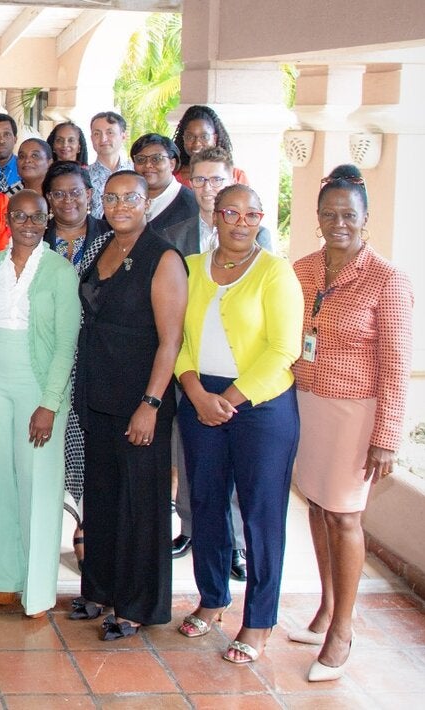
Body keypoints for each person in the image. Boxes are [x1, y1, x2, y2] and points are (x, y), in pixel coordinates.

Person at [291, 165, 413, 682]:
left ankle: (343, 629)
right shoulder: (302, 269)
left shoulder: (388, 279)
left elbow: (397, 366)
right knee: (318, 508)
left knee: (344, 516)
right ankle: (326, 608)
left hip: (354, 413)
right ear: (318, 218)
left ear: (365, 218)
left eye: (348, 215)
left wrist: (386, 438)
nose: (338, 223)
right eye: (329, 214)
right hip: (306, 404)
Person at [174, 184, 303, 664]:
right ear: (215, 215)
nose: (241, 222)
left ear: (260, 220)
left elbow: (283, 349)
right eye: (231, 212)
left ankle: (260, 620)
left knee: (260, 514)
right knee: (206, 503)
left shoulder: (275, 272)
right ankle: (212, 598)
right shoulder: (190, 269)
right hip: (199, 397)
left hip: (261, 406)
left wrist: (227, 400)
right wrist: (195, 392)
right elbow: (175, 338)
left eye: (252, 214)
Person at [71, 171, 187, 641]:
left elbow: (171, 340)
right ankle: (100, 589)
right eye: (112, 198)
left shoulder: (163, 257)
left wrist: (151, 404)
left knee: (140, 504)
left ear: (147, 203)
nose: (120, 206)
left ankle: (137, 605)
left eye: (130, 198)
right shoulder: (102, 246)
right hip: (98, 392)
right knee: (102, 498)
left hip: (140, 397)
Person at [163, 147, 273, 572]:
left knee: (240, 468)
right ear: (190, 183)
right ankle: (191, 528)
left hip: (243, 378)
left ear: (231, 180)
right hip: (190, 371)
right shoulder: (174, 236)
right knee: (192, 460)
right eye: (200, 180)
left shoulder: (260, 239)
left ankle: (236, 545)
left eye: (216, 180)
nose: (208, 188)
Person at [0, 190, 81, 618]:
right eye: (20, 216)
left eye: (37, 217)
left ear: (48, 219)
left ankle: (36, 589)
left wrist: (49, 403)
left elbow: (66, 344)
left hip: (39, 386)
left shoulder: (60, 271)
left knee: (38, 484)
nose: (29, 224)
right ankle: (3, 577)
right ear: (8, 219)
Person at [40, 160, 111, 569]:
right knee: (51, 447)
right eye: (58, 193)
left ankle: (87, 525)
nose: (68, 200)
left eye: (76, 192)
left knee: (89, 445)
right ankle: (45, 527)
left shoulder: (112, 239)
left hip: (96, 357)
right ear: (48, 199)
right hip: (45, 356)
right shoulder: (35, 237)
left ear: (90, 194)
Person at [132, 133, 198, 233]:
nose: (148, 164)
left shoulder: (191, 204)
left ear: (172, 164)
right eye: (141, 159)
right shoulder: (126, 199)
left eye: (156, 159)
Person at [173, 105, 248, 187]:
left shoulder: (236, 175)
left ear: (214, 138)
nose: (196, 143)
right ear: (183, 138)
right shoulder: (172, 177)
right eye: (190, 137)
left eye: (204, 137)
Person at [87, 111, 134, 218]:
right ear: (91, 138)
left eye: (110, 133)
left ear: (123, 136)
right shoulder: (83, 176)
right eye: (97, 134)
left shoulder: (135, 171)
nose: (103, 139)